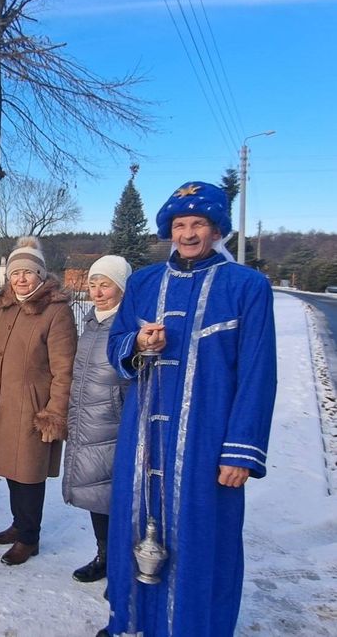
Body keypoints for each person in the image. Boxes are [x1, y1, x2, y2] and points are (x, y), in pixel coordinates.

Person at [101, 182, 277, 636]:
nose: (189, 233)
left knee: (201, 541)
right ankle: (131, 623)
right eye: (180, 224)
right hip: (142, 439)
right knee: (134, 530)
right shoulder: (143, 282)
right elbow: (116, 346)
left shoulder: (248, 287)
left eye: (198, 223)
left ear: (216, 229)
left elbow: (259, 373)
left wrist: (241, 452)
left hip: (208, 439)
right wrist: (139, 342)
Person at [0, 236, 77, 566]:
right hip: (2, 405)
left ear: (41, 275)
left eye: (28, 273)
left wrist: (54, 413)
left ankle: (29, 538)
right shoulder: (6, 307)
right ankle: (19, 524)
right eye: (15, 273)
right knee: (12, 469)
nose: (21, 279)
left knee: (29, 473)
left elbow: (65, 369)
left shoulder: (56, 312)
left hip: (34, 408)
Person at [61, 255, 133, 584]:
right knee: (95, 493)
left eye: (106, 284)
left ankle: (121, 561)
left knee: (115, 495)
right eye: (93, 284)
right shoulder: (91, 322)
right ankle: (104, 555)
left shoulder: (129, 323)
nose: (98, 291)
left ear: (121, 287)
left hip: (115, 421)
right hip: (86, 418)